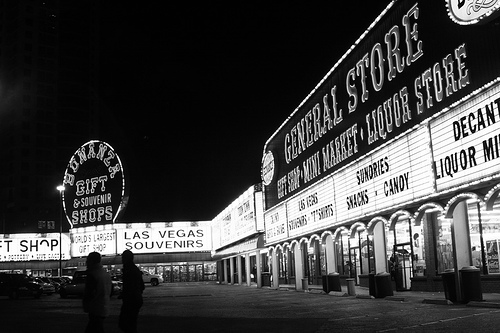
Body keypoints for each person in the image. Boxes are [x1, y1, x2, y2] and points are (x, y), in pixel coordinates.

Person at [83, 251, 112, 333]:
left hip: (95, 307)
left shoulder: (93, 274)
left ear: (91, 261)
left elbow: (89, 293)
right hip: (104, 306)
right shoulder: (105, 274)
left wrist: (86, 305)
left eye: (88, 260)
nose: (86, 263)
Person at [119, 250, 145, 333]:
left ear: (126, 258)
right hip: (136, 299)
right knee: (131, 323)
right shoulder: (135, 269)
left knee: (125, 324)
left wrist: (125, 294)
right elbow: (142, 286)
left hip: (130, 300)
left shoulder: (129, 270)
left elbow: (129, 286)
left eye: (123, 257)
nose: (121, 260)